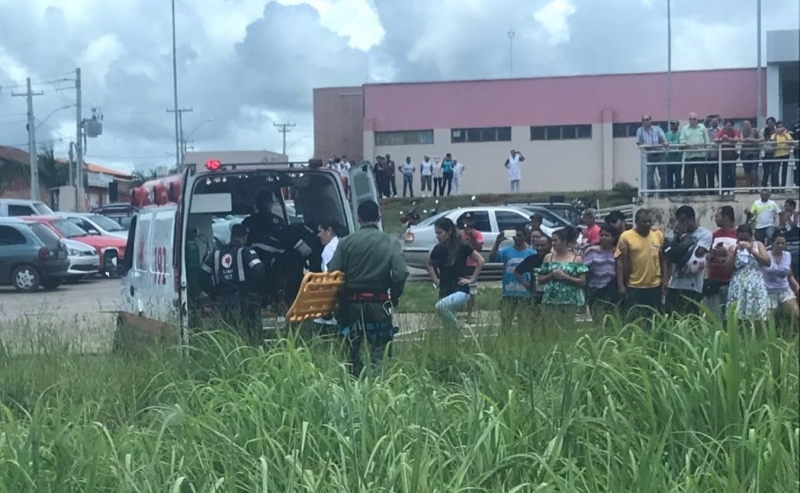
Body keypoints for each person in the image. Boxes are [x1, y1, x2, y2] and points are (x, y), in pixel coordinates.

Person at [328, 200, 409, 376]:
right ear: (379, 217)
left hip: (351, 306)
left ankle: (353, 386)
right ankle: (377, 388)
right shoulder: (390, 242)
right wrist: (394, 296)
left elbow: (332, 272)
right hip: (379, 304)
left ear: (358, 218)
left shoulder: (346, 242)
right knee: (379, 351)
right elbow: (401, 272)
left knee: (351, 351)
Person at [243, 190, 314, 307]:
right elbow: (299, 248)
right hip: (273, 268)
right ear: (271, 203)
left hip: (254, 269)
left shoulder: (248, 222)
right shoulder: (277, 222)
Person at [200, 223, 267, 344]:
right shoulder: (246, 252)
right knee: (252, 335)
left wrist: (212, 292)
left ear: (232, 236)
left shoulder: (216, 254)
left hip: (222, 301)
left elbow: (203, 274)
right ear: (245, 236)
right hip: (244, 300)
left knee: (228, 335)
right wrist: (254, 289)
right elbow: (259, 270)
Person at [427, 217, 484, 331]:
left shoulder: (462, 245)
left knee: (440, 307)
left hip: (460, 289)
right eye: (436, 233)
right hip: (445, 288)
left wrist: (472, 279)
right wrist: (435, 278)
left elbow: (480, 260)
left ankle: (458, 332)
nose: (438, 236)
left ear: (449, 231)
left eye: (440, 233)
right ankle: (454, 341)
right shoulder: (438, 248)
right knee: (447, 323)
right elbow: (429, 263)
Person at [615, 208, 666, 320]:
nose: (648, 224)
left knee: (653, 318)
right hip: (634, 285)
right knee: (634, 318)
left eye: (649, 221)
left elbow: (662, 259)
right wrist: (621, 285)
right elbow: (619, 262)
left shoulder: (658, 235)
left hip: (654, 285)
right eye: (644, 222)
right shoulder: (626, 236)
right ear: (636, 222)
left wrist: (664, 280)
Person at [662, 205, 712, 316]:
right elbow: (668, 256)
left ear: (692, 219)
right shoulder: (672, 235)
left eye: (684, 221)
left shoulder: (705, 235)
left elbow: (694, 255)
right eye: (679, 221)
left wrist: (683, 236)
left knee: (690, 318)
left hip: (692, 286)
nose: (682, 224)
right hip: (674, 284)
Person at [488, 228, 535, 330]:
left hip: (525, 293)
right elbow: (492, 258)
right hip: (509, 293)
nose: (517, 238)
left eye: (520, 235)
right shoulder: (506, 252)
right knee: (505, 323)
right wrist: (497, 242)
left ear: (525, 237)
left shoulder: (531, 253)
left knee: (524, 324)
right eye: (515, 235)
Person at [537, 226, 588, 321]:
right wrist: (551, 276)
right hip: (550, 300)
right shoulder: (548, 257)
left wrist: (566, 277)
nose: (552, 243)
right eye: (552, 240)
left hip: (570, 300)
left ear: (564, 241)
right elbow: (540, 280)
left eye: (555, 240)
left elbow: (582, 281)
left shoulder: (576, 259)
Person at [725, 224, 771, 325]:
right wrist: (735, 251)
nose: (743, 241)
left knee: (759, 314)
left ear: (751, 236)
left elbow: (767, 262)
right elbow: (727, 268)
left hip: (755, 282)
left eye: (746, 239)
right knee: (738, 314)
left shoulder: (758, 245)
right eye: (741, 238)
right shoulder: (732, 248)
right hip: (738, 283)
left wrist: (752, 251)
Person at [703, 206, 738, 322]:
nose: (715, 219)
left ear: (726, 217)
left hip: (731, 280)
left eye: (717, 216)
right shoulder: (714, 235)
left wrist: (727, 253)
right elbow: (706, 255)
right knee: (713, 315)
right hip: (714, 279)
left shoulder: (738, 234)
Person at [762, 230, 800, 327]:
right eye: (778, 243)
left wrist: (796, 285)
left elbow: (790, 274)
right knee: (767, 320)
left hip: (784, 290)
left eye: (782, 243)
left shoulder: (788, 255)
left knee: (796, 314)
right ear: (772, 243)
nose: (780, 245)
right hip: (769, 292)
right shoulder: (766, 255)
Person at [583, 224, 619, 319]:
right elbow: (584, 270)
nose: (603, 238)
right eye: (602, 235)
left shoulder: (617, 252)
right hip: (595, 289)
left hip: (611, 290)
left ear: (613, 238)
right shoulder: (591, 251)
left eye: (607, 236)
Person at [314, 220, 343, 326]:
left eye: (320, 231)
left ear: (329, 231)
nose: (318, 235)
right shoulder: (341, 244)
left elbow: (329, 279)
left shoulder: (328, 250)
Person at [515, 233, 551, 309]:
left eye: (542, 245)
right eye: (537, 246)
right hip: (535, 297)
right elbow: (517, 272)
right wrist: (527, 285)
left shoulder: (555, 259)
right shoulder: (532, 259)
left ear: (550, 246)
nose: (539, 248)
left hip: (552, 297)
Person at [460, 213, 484, 324]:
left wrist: (472, 237)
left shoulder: (478, 234)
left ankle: (469, 314)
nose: (468, 223)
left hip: (472, 264)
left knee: (472, 291)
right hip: (461, 264)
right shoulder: (460, 234)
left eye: (470, 221)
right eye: (466, 220)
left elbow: (479, 248)